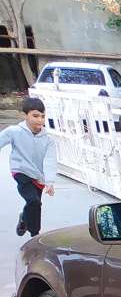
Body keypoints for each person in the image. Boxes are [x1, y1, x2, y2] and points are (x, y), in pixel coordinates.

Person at [0, 96, 57, 237]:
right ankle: (35, 235)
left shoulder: (48, 139)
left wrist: (50, 182)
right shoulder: (14, 131)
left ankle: (24, 218)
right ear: (25, 115)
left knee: (35, 206)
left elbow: (50, 160)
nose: (40, 120)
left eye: (43, 116)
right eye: (35, 116)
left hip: (38, 176)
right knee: (33, 201)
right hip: (20, 171)